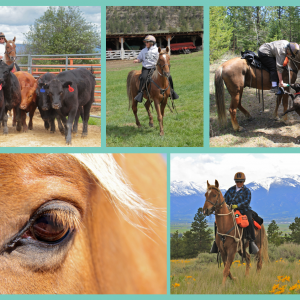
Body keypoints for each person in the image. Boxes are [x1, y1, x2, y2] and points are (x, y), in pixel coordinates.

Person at [210, 172, 259, 255]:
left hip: (244, 210)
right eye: (237, 181)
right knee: (217, 222)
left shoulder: (247, 191)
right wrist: (226, 206)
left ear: (243, 181)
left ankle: (251, 241)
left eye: (241, 181)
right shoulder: (230, 190)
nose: (239, 183)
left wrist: (236, 206)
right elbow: (224, 199)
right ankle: (216, 242)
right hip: (230, 210)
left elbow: (246, 202)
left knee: (249, 220)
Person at [133, 35, 179, 103]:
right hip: (146, 68)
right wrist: (137, 60)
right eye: (145, 42)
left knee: (169, 77)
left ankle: (171, 91)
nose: (146, 43)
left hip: (155, 68)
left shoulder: (157, 50)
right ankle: (140, 93)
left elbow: (162, 57)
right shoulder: (143, 51)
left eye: (147, 42)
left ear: (151, 43)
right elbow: (140, 58)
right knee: (143, 77)